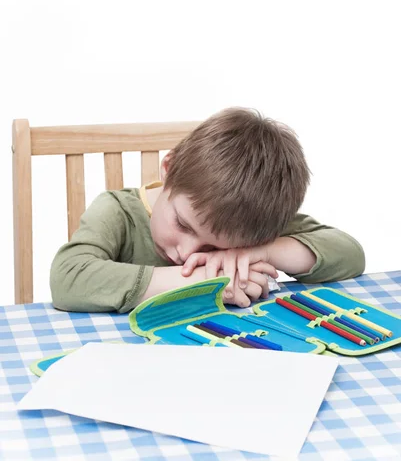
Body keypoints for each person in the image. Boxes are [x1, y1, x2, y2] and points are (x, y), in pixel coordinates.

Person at [50, 107, 365, 313]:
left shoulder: (246, 220)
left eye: (214, 247)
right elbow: (67, 278)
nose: (185, 252)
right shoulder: (116, 210)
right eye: (183, 224)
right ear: (169, 169)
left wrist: (263, 252)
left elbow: (350, 254)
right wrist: (203, 281)